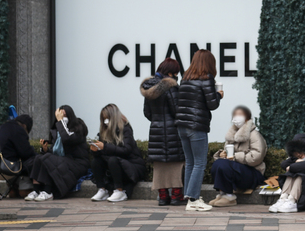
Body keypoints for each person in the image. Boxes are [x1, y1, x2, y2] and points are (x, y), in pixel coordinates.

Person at [175, 49, 223, 211]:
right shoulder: (207, 79)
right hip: (197, 126)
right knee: (200, 163)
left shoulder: (185, 79)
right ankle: (194, 199)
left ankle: (190, 196)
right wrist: (219, 95)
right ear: (209, 63)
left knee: (190, 162)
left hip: (181, 125)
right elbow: (212, 104)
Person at [140, 58, 186, 206]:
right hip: (172, 131)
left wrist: (157, 121)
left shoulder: (149, 87)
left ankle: (163, 196)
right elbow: (176, 110)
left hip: (156, 132)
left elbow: (147, 113)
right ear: (171, 72)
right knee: (176, 164)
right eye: (176, 72)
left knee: (159, 166)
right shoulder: (170, 87)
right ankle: (176, 196)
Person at [26, 105, 90, 202]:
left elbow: (67, 138)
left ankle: (48, 192)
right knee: (39, 158)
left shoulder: (78, 127)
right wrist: (46, 150)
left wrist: (60, 122)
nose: (61, 117)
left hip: (77, 162)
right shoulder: (57, 130)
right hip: (63, 160)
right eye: (59, 114)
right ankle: (36, 190)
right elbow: (57, 151)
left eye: (64, 114)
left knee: (48, 159)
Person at [209, 106, 267, 207]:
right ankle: (223, 194)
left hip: (253, 173)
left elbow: (257, 157)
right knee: (218, 163)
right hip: (238, 170)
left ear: (247, 118)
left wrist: (235, 157)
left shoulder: (254, 135)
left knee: (224, 165)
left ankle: (229, 197)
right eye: (235, 115)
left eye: (240, 115)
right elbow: (227, 156)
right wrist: (221, 155)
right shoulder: (231, 136)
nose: (236, 117)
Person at [89, 104, 146, 203]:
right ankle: (102, 189)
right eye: (104, 119)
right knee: (96, 161)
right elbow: (103, 154)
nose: (105, 122)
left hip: (132, 165)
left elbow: (126, 150)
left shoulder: (126, 129)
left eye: (107, 119)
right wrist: (96, 151)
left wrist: (105, 147)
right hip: (116, 165)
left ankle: (120, 191)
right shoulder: (104, 131)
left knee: (113, 160)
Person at [0, 114, 36, 195]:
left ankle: (12, 187)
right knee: (31, 160)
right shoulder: (18, 130)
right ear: (24, 126)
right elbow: (26, 152)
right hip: (6, 168)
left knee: (12, 156)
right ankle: (25, 189)